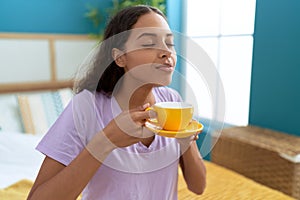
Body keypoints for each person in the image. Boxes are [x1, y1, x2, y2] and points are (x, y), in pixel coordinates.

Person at [27, 5, 206, 200]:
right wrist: (106, 141)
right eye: (148, 43)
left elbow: (198, 186)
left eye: (170, 43)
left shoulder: (172, 101)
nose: (166, 52)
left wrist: (185, 142)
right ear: (120, 57)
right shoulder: (86, 107)